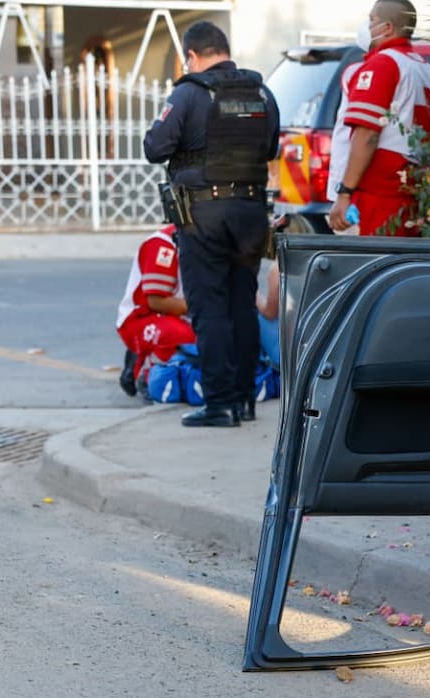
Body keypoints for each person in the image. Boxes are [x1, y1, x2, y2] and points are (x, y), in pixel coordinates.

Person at [143, 21, 280, 427]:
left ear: (192, 55)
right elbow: (271, 146)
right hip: (252, 213)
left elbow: (156, 147)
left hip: (204, 215)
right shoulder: (262, 92)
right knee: (242, 303)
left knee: (210, 307)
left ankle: (219, 403)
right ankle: (243, 400)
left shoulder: (189, 92)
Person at [327, 0, 430, 237]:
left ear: (387, 27)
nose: (368, 26)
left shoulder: (383, 64)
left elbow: (367, 134)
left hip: (377, 192)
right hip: (414, 191)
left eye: (372, 20)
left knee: (367, 268)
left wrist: (344, 192)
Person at [116, 224, 194, 398]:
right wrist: (204, 308)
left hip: (184, 312)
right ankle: (145, 374)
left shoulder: (210, 239)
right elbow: (157, 301)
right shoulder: (163, 244)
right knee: (184, 335)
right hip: (142, 317)